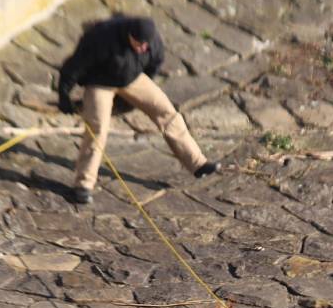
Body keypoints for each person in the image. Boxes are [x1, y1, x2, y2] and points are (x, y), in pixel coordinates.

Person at [57, 15, 220, 204]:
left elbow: (154, 63)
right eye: (139, 44)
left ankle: (198, 164)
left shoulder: (152, 42)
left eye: (146, 45)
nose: (143, 48)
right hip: (99, 83)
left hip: (132, 77)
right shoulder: (101, 38)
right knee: (98, 129)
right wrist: (64, 95)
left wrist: (133, 95)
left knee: (167, 113)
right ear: (129, 36)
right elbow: (73, 66)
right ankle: (83, 186)